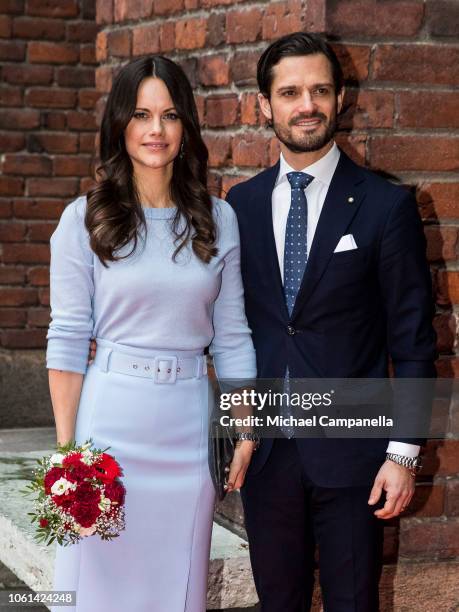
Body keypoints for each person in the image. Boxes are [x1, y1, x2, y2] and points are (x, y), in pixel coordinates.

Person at [224, 33, 437, 611]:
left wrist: (403, 454)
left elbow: (415, 341)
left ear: (340, 98)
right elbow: (230, 331)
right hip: (268, 454)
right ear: (265, 106)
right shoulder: (237, 207)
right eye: (289, 92)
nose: (307, 105)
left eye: (319, 90)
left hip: (354, 453)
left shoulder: (384, 205)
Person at [46, 54, 257, 612]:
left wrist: (246, 427)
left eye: (169, 116)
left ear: (185, 126)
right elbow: (67, 340)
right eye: (141, 115)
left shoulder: (219, 219)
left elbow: (232, 334)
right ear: (120, 124)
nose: (155, 130)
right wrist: (69, 456)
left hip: (189, 433)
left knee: (175, 588)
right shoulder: (82, 219)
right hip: (110, 426)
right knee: (97, 586)